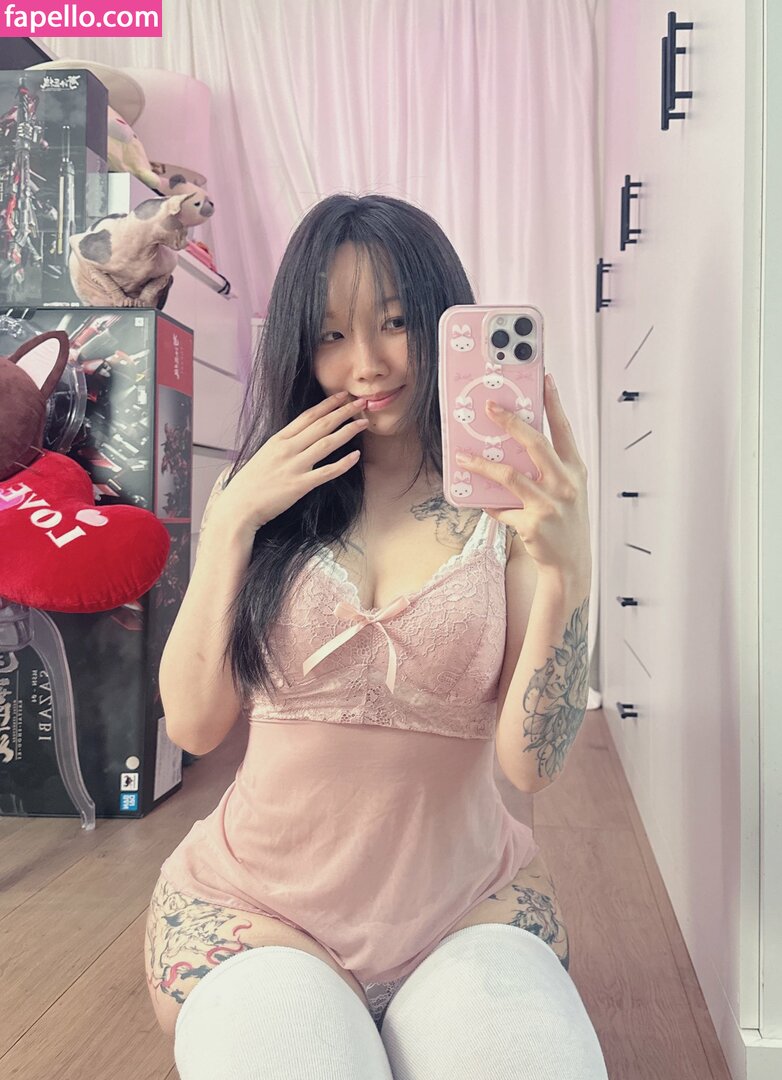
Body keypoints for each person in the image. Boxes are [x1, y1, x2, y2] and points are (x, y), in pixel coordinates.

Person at [143, 193, 606, 1078]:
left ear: (445, 318)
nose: (366, 365)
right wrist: (232, 518)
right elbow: (195, 726)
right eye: (330, 335)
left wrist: (570, 570)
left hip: (465, 913)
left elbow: (530, 765)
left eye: (395, 322)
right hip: (256, 914)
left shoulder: (508, 509)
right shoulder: (262, 499)